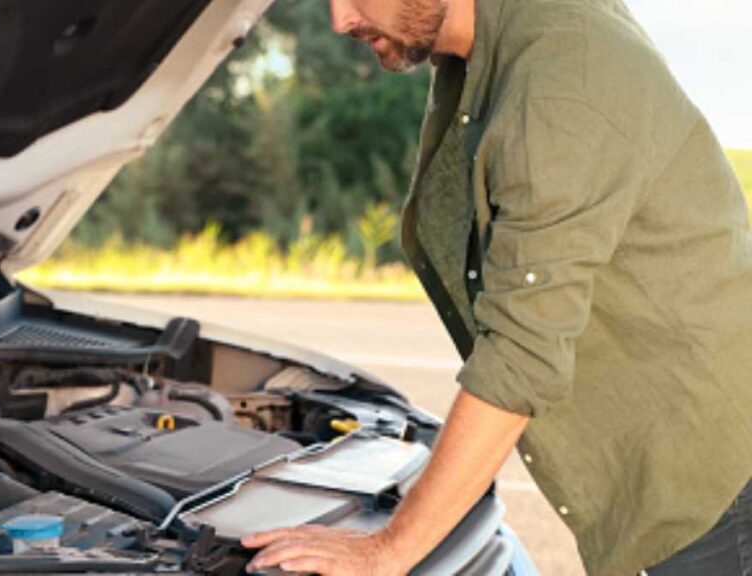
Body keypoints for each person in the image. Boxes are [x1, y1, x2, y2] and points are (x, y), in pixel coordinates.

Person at [241, 0, 752, 574]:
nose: (340, 20)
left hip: (714, 489)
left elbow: (521, 352)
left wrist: (390, 550)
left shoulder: (561, 86)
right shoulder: (491, 42)